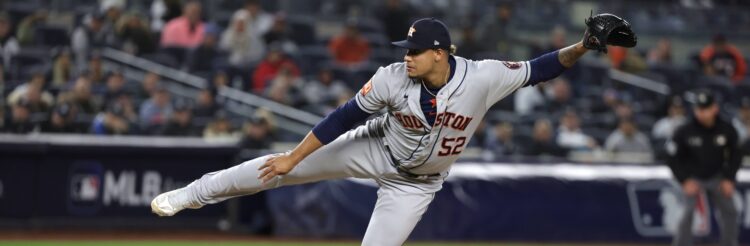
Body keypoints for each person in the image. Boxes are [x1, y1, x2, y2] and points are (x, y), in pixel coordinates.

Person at [151, 17, 617, 245]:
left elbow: (541, 68)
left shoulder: (484, 76)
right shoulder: (394, 75)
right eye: (406, 49)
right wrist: (294, 158)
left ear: (439, 53)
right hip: (372, 147)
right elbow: (343, 117)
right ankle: (191, 194)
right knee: (276, 167)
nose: (407, 56)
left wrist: (585, 45)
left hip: (416, 186)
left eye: (415, 50)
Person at [666, 89, 740, 246]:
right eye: (699, 109)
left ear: (715, 108)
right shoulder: (685, 130)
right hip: (692, 177)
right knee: (686, 213)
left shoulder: (726, 129)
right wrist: (684, 180)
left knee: (730, 211)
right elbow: (672, 157)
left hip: (717, 176)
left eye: (706, 108)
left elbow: (736, 155)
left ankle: (729, 243)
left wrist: (729, 178)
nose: (702, 113)